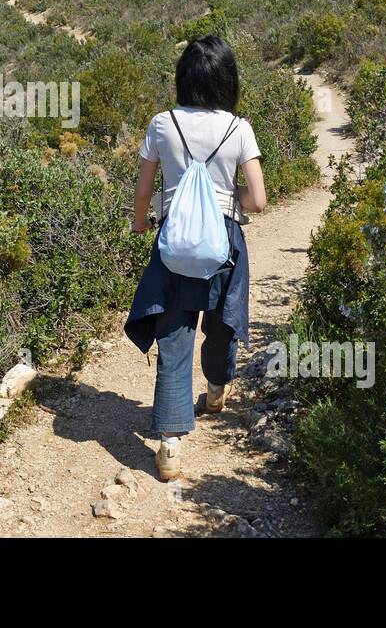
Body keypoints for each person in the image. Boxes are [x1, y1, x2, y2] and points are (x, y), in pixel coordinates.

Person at [125, 35, 267, 481]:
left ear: (184, 77)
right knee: (222, 322)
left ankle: (169, 444)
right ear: (227, 79)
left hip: (176, 240)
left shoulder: (162, 124)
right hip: (223, 239)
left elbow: (145, 191)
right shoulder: (239, 129)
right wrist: (230, 198)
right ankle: (215, 391)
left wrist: (141, 222)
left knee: (174, 332)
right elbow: (258, 200)